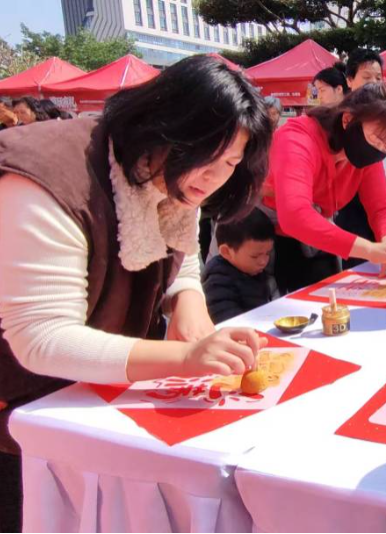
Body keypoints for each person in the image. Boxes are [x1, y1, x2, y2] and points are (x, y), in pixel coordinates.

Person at [0, 55, 272, 532]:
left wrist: (187, 300)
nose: (213, 176)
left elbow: (180, 247)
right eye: (205, 155)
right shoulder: (47, 177)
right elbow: (39, 338)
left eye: (230, 162)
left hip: (81, 402)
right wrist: (186, 358)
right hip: (18, 409)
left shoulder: (165, 169)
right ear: (162, 125)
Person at [263, 83, 386, 293]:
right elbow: (295, 215)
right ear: (347, 120)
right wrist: (370, 250)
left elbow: (380, 205)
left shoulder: (366, 154)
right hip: (262, 240)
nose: (380, 151)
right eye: (378, 139)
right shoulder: (297, 138)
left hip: (318, 239)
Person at [335, 49, 386, 261]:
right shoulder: (341, 115)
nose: (374, 83)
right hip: (343, 205)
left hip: (369, 199)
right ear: (349, 80)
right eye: (366, 77)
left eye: (378, 78)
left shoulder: (382, 113)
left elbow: (381, 202)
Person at [202, 208, 280, 324]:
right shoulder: (217, 281)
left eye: (268, 253)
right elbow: (228, 322)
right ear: (226, 252)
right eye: (255, 256)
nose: (263, 261)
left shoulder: (252, 269)